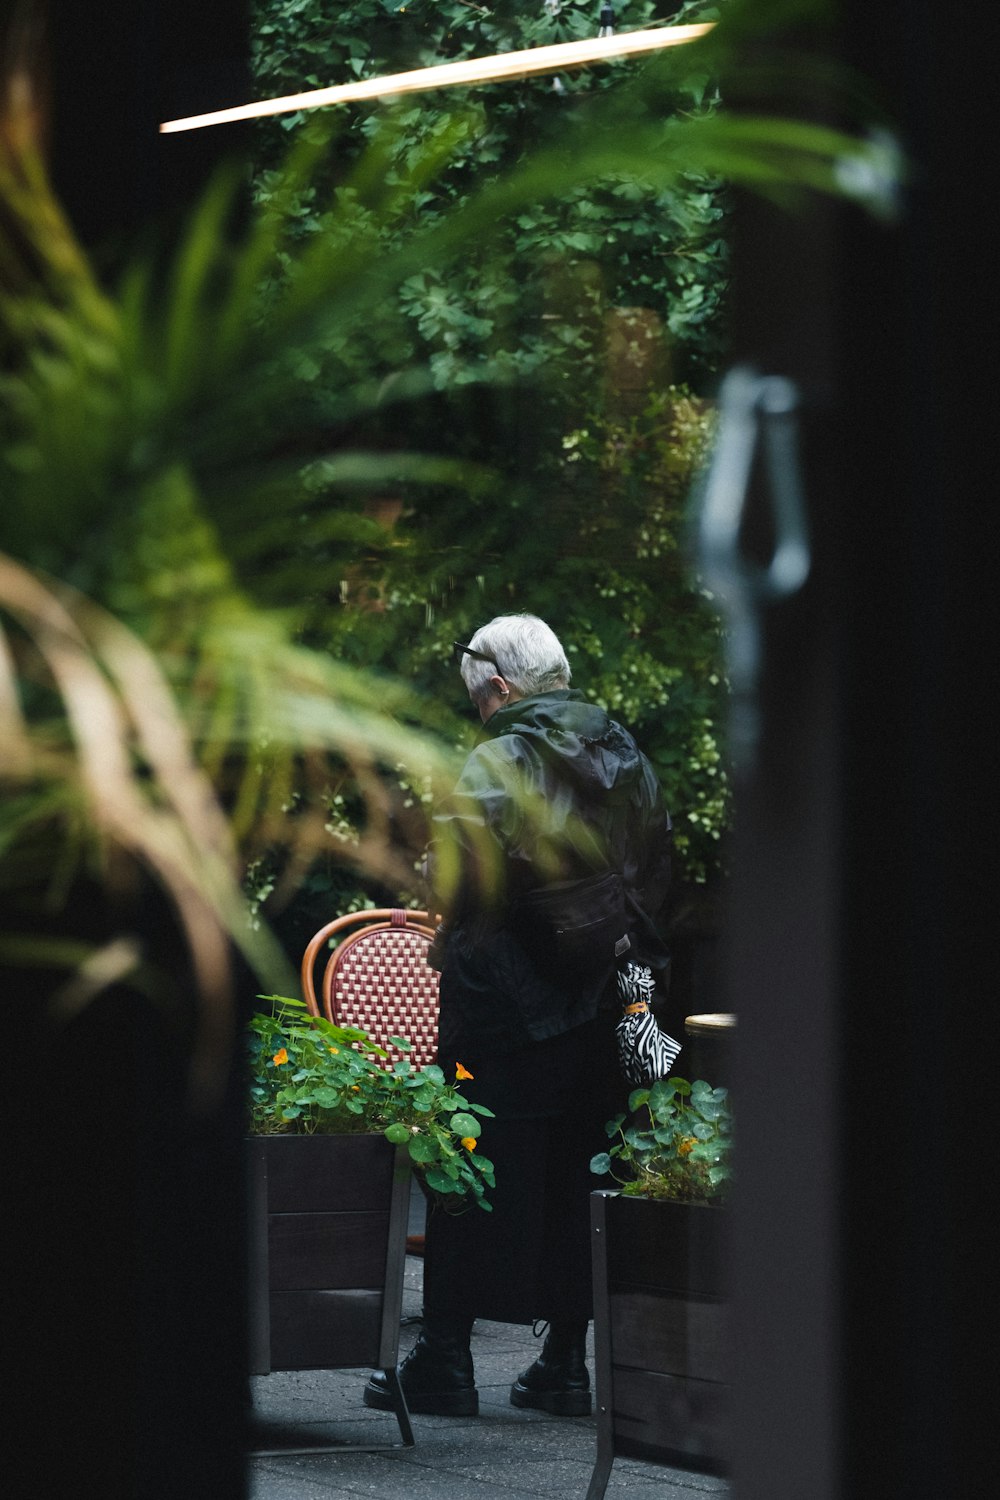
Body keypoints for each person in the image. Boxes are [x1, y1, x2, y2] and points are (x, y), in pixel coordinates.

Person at [364, 613, 673, 1418]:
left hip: (504, 1009)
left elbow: (464, 884)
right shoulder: (627, 751)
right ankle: (566, 1365)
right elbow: (655, 863)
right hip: (605, 1002)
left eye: (479, 701)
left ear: (498, 688)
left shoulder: (498, 756)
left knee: (466, 1166)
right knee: (586, 1172)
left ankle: (445, 1363)